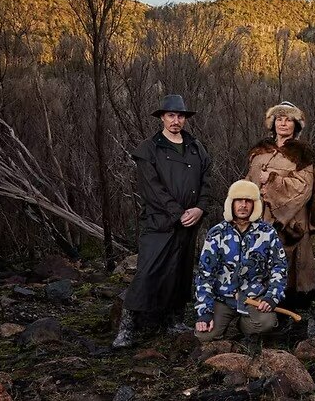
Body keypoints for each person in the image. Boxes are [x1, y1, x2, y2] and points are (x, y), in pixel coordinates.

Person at [113, 94, 211, 349]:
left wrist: (199, 208)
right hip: (159, 222)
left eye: (180, 116)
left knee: (180, 272)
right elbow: (151, 188)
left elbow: (206, 182)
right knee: (148, 272)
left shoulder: (196, 147)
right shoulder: (149, 149)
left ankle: (173, 320)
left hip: (190, 222)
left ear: (185, 119)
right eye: (170, 115)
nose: (175, 120)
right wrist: (178, 212)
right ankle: (127, 328)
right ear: (161, 118)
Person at [247, 102, 315, 302]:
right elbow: (248, 182)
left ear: (296, 125)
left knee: (289, 266)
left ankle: (290, 304)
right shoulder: (259, 152)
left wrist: (273, 180)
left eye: (288, 119)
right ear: (272, 123)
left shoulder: (302, 153)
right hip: (259, 217)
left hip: (290, 219)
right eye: (279, 119)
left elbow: (304, 187)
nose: (283, 123)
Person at [194, 180, 287, 341]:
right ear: (231, 203)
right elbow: (204, 275)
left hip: (253, 299)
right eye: (239, 200)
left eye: (248, 201)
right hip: (222, 298)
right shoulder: (217, 233)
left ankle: (243, 325)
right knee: (205, 335)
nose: (243, 205)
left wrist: (272, 296)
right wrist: (204, 312)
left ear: (254, 205)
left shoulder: (267, 232)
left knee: (266, 324)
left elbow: (279, 267)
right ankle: (224, 321)